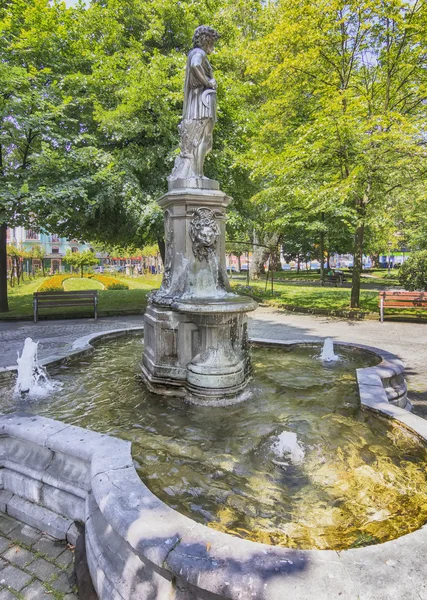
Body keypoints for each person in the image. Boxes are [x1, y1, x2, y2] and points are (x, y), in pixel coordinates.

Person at [169, 25, 220, 182]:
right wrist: (208, 83)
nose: (213, 46)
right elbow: (195, 65)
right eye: (212, 42)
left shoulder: (194, 53)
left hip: (198, 102)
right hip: (202, 103)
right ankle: (197, 175)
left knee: (203, 139)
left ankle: (196, 173)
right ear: (206, 40)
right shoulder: (199, 53)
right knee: (204, 137)